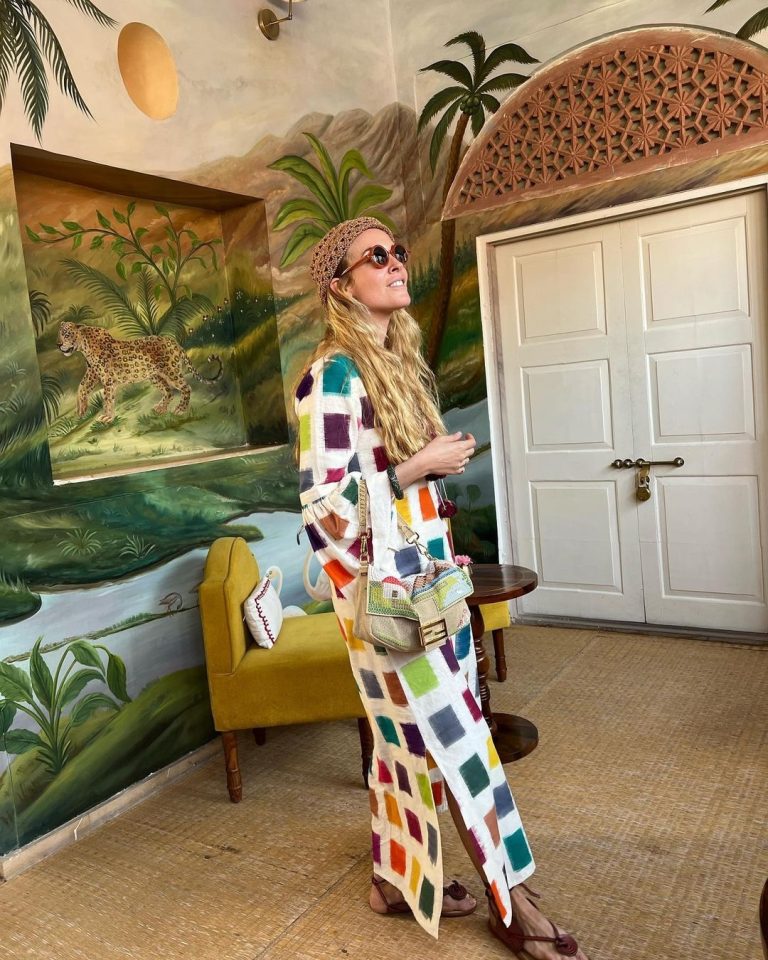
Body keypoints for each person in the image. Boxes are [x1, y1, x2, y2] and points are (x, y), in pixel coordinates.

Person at [294, 216, 589, 959]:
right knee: (460, 745)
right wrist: (414, 469)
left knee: (405, 744)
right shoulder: (332, 376)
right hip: (387, 602)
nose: (397, 263)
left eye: (397, 252)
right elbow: (321, 510)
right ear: (341, 286)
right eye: (376, 256)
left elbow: (390, 490)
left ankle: (392, 883)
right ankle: (510, 902)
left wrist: (429, 472)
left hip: (429, 588)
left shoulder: (391, 363)